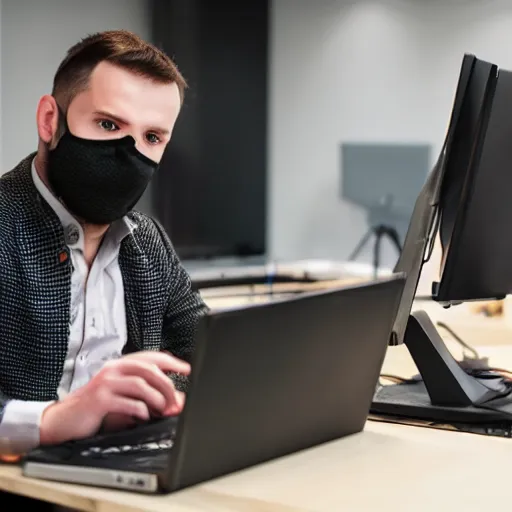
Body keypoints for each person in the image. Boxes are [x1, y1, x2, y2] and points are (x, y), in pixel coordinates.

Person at [0, 30, 208, 457]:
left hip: (122, 472)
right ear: (49, 120)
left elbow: (204, 355)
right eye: (109, 124)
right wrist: (52, 420)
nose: (129, 152)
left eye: (152, 138)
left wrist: (136, 399)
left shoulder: (147, 242)